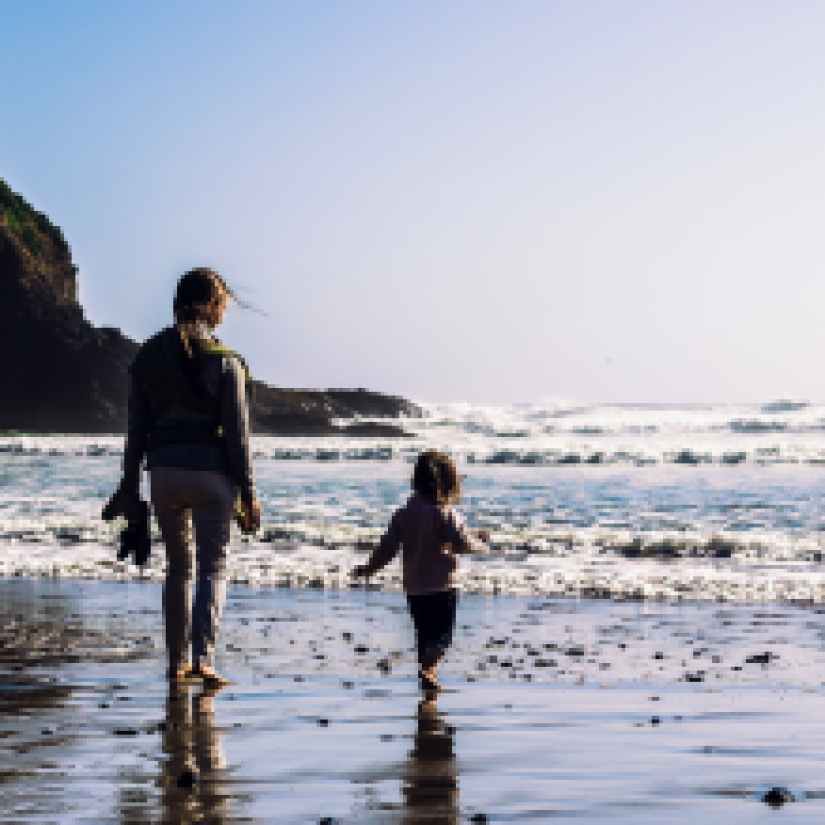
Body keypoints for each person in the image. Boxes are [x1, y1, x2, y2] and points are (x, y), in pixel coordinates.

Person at [104, 267, 260, 689]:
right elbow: (239, 435)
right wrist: (249, 492)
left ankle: (175, 664)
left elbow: (136, 430)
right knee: (213, 568)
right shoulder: (226, 361)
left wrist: (128, 485)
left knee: (178, 569)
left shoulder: (148, 358)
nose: (224, 315)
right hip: (213, 477)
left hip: (164, 476)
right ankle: (203, 661)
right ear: (211, 306)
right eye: (223, 306)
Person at [353, 450, 488, 693]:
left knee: (424, 633)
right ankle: (428, 670)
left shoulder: (403, 514)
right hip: (443, 586)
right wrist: (481, 543)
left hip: (414, 587)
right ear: (448, 482)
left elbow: (387, 548)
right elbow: (462, 542)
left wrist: (369, 568)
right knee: (443, 636)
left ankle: (428, 676)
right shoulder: (445, 513)